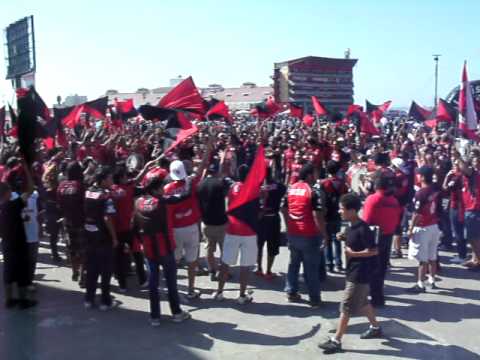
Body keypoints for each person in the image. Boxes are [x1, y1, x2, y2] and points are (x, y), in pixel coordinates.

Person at [319, 193, 381, 355]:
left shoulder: (363, 229)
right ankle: (375, 327)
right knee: (362, 304)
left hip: (360, 274)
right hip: (353, 271)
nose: (339, 211)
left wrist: (354, 254)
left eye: (342, 209)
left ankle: (336, 341)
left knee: (346, 307)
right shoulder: (351, 226)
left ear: (352, 211)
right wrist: (343, 237)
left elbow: (373, 250)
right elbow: (352, 239)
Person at [134, 174, 191, 326]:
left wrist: (140, 243)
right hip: (164, 247)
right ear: (155, 189)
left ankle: (155, 316)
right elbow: (183, 196)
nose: (163, 190)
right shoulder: (162, 202)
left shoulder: (138, 202)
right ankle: (176, 313)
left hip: (148, 248)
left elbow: (134, 226)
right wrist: (189, 181)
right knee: (171, 281)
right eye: (161, 187)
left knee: (153, 283)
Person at [212, 164, 259, 304]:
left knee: (225, 263)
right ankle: (242, 295)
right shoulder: (254, 189)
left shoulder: (233, 187)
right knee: (245, 265)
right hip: (249, 231)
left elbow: (224, 178)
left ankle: (219, 293)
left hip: (232, 229)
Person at [283, 163, 327, 307]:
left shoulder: (290, 189)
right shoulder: (313, 191)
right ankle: (314, 299)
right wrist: (324, 235)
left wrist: (289, 224)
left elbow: (283, 208)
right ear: (309, 175)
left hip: (293, 233)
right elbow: (317, 215)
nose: (316, 177)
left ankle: (291, 291)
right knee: (311, 268)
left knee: (293, 264)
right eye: (314, 173)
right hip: (309, 234)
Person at [0, 160, 37, 309]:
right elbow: (30, 190)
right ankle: (23, 301)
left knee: (8, 271)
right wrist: (28, 171)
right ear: (6, 193)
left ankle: (9, 299)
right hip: (19, 243)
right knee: (22, 271)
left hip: (6, 243)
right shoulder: (13, 205)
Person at [363, 174, 402, 307]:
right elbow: (397, 220)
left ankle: (375, 297)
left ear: (376, 186)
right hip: (387, 236)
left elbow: (366, 221)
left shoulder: (372, 199)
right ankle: (378, 294)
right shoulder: (394, 201)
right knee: (381, 268)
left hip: (374, 237)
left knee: (372, 267)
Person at [83, 166, 118, 310]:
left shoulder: (88, 191)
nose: (112, 180)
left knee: (91, 268)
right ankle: (105, 301)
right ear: (103, 180)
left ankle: (89, 299)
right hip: (103, 237)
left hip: (89, 235)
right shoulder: (106, 196)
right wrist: (114, 237)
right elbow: (107, 217)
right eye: (110, 178)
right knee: (105, 270)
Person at [407, 166, 441, 293]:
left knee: (422, 258)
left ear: (421, 176)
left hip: (423, 226)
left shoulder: (421, 192)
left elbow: (417, 213)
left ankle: (420, 284)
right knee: (433, 256)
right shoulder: (435, 189)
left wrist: (410, 229)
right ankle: (432, 279)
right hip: (434, 225)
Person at [196, 161, 231, 281]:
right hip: (221, 221)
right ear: (216, 171)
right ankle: (224, 272)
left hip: (206, 222)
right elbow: (228, 197)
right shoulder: (220, 184)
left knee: (209, 249)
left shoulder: (200, 185)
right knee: (224, 249)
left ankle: (212, 270)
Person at [57, 161, 86, 286]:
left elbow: (59, 204)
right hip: (81, 222)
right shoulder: (80, 186)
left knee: (72, 249)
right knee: (83, 250)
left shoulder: (61, 186)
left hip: (67, 222)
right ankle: (82, 276)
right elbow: (85, 204)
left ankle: (75, 270)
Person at [256, 167, 286, 279]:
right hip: (273, 218)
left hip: (260, 219)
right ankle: (268, 270)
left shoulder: (257, 186)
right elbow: (284, 191)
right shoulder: (279, 186)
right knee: (272, 246)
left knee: (259, 245)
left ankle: (259, 268)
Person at [320, 160, 348, 273]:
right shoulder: (342, 184)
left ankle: (329, 264)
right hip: (338, 213)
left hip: (327, 214)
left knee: (327, 239)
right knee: (337, 238)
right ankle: (338, 263)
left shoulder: (324, 183)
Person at [460, 152, 480, 269]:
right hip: (470, 208)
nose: (474, 160)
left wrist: (458, 156)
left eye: (476, 158)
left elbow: (464, 168)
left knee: (473, 237)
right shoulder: (473, 173)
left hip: (475, 209)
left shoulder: (474, 174)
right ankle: (475, 258)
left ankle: (478, 260)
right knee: (474, 237)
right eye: (473, 158)